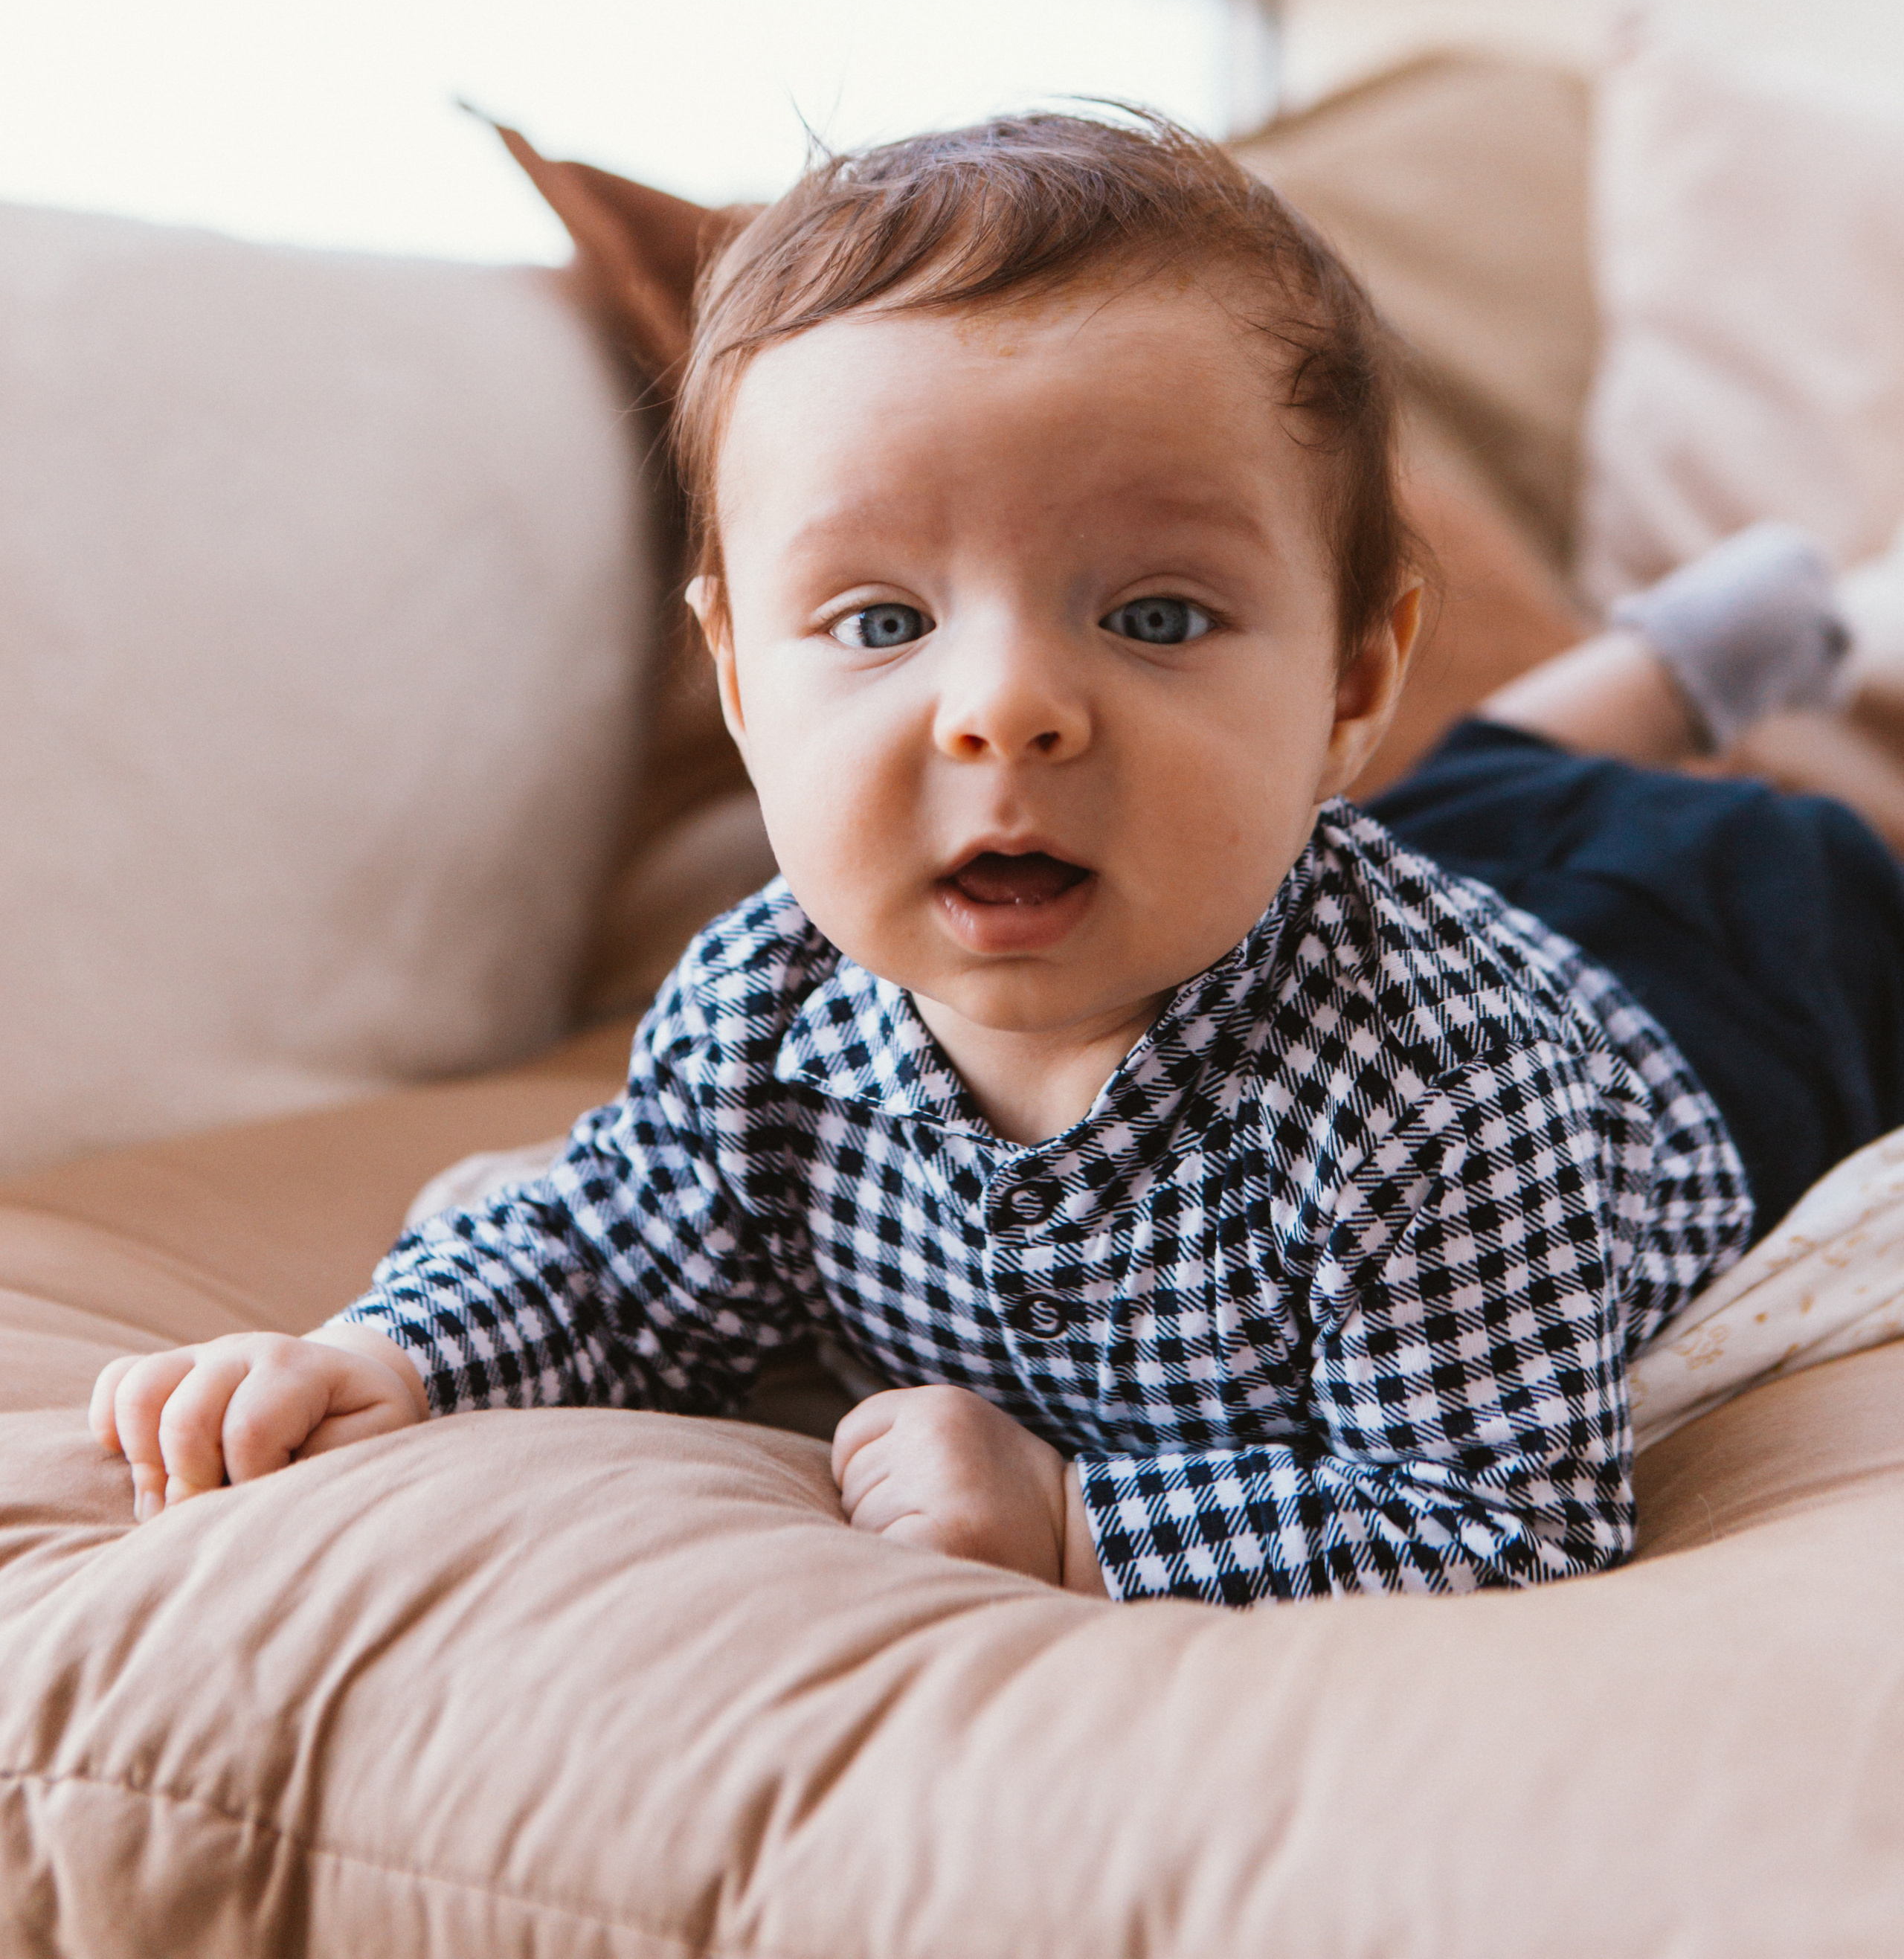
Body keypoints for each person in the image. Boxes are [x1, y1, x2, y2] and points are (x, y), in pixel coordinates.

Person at [89, 114, 1904, 1606]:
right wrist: (385, 1356)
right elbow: (612, 1251)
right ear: (736, 675)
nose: (1007, 713)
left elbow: (1498, 1517)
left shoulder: (1440, 1096)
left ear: (1352, 673)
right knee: (1463, 800)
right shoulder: (767, 1001)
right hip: (1349, 851)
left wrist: (1078, 1522)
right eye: (879, 621)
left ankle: (1723, 666)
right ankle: (1690, 654)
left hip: (1719, 967)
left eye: (1155, 613)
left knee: (1599, 827)